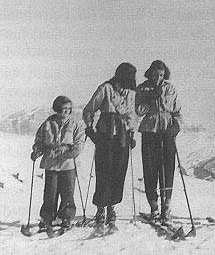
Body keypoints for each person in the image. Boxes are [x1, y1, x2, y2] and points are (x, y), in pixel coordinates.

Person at [83, 63, 136, 227]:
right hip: (106, 133)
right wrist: (90, 129)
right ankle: (100, 209)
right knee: (104, 170)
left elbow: (131, 114)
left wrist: (131, 132)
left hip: (122, 135)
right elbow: (89, 110)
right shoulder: (105, 88)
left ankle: (111, 208)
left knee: (119, 171)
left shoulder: (130, 93)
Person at [135, 60, 182, 224]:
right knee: (150, 168)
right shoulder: (142, 88)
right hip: (150, 130)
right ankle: (154, 206)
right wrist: (149, 99)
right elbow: (139, 110)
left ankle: (166, 206)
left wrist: (176, 125)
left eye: (161, 75)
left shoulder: (170, 88)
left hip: (167, 130)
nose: (158, 78)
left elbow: (176, 110)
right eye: (156, 75)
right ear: (150, 73)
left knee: (168, 167)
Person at [31, 96, 85, 235]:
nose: (66, 111)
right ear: (57, 108)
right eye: (63, 108)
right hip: (51, 162)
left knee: (67, 192)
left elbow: (79, 142)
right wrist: (37, 150)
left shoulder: (75, 124)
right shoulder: (47, 123)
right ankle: (47, 218)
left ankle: (66, 218)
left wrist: (71, 151)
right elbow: (40, 140)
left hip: (68, 163)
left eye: (68, 109)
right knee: (50, 192)